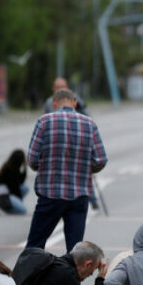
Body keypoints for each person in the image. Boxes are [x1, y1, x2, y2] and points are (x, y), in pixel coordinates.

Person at [26, 88, 107, 252]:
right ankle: (72, 278)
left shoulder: (44, 122)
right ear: (75, 103)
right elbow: (101, 159)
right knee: (75, 250)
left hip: (49, 194)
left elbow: (32, 159)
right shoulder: (89, 124)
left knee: (35, 245)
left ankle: (29, 277)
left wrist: (45, 167)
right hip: (79, 196)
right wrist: (84, 167)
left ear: (54, 103)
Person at [0, 149, 29, 215]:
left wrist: (25, 168)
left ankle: (11, 205)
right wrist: (19, 200)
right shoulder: (11, 171)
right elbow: (14, 188)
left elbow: (21, 181)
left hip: (2, 194)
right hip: (3, 197)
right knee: (23, 211)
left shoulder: (10, 166)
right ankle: (8, 208)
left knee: (25, 188)